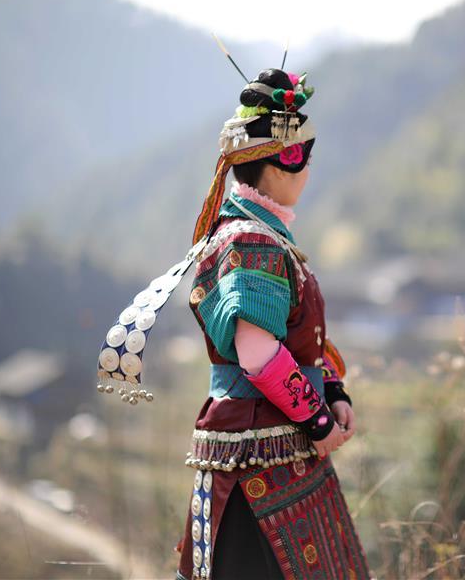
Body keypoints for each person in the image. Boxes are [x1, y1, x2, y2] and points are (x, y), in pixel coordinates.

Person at [97, 58, 369, 580]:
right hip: (257, 459)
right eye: (304, 158)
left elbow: (293, 343)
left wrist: (332, 392)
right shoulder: (249, 240)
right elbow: (258, 353)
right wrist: (316, 422)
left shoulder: (262, 237)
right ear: (282, 160)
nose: (309, 172)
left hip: (275, 447)